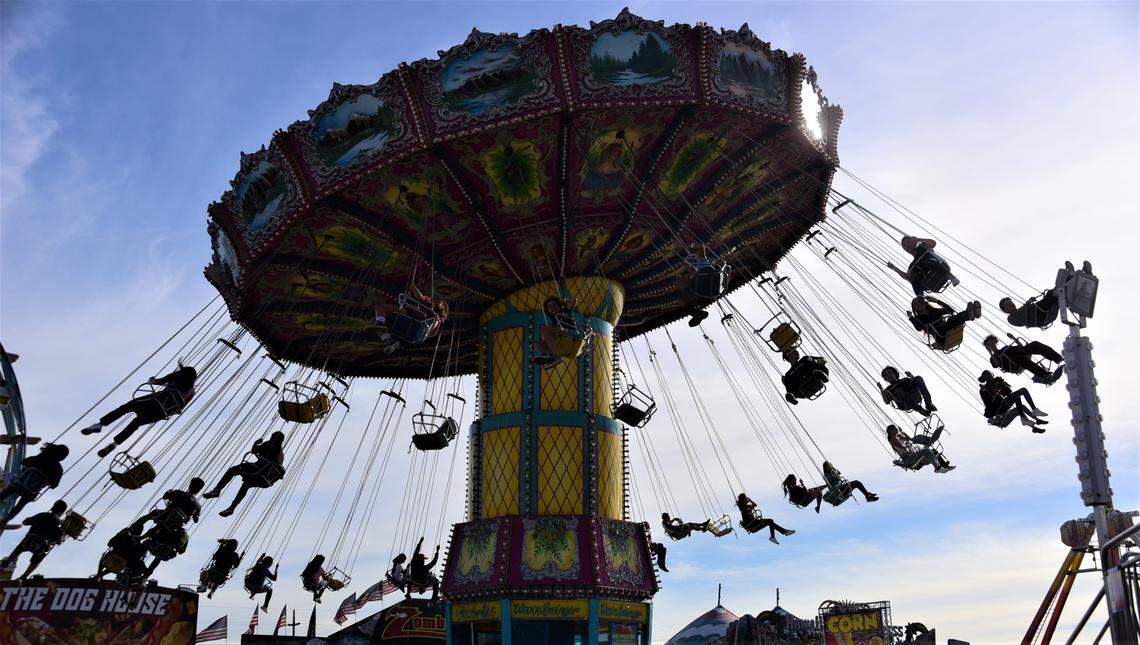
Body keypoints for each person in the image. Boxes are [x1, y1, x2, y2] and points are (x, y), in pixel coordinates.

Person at [82, 364, 197, 458]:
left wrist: (152, 379)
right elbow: (180, 408)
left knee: (126, 408)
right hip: (160, 414)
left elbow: (157, 381)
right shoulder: (191, 392)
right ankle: (115, 444)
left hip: (153, 401)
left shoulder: (177, 376)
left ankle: (100, 424)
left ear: (183, 372)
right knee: (135, 423)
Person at [203, 431, 286, 516]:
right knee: (246, 485)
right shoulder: (281, 454)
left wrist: (256, 442)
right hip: (265, 479)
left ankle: (217, 490)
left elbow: (254, 451)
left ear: (273, 437)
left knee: (233, 470)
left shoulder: (270, 443)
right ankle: (232, 507)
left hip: (258, 470)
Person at [0, 443, 69, 526]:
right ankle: (5, 520)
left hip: (20, 484)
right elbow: (54, 485)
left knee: (7, 492)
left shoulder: (42, 456)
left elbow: (25, 462)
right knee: (20, 505)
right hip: (31, 492)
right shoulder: (58, 469)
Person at [0, 500, 67, 579]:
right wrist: (64, 535)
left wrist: (35, 520)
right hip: (40, 548)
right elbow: (58, 540)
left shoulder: (41, 515)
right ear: (61, 513)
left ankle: (6, 563)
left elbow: (25, 522)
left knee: (20, 548)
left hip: (27, 542)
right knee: (42, 554)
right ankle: (24, 576)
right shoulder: (57, 523)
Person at [373, 285, 448, 352]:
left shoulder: (431, 307)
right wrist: (423, 335)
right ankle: (389, 340)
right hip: (415, 335)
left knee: (380, 307)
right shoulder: (438, 321)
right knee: (373, 320)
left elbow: (419, 297)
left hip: (411, 319)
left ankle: (380, 324)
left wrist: (412, 286)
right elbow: (433, 333)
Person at [978, 370, 1048, 432]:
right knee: (1023, 390)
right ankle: (1032, 413)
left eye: (990, 375)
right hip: (997, 408)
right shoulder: (984, 389)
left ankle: (1030, 420)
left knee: (1018, 397)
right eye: (988, 376)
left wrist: (1003, 385)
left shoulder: (995, 383)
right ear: (985, 378)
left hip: (1003, 405)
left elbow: (1008, 393)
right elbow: (988, 401)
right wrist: (988, 390)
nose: (991, 377)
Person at [887, 236, 959, 295]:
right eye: (904, 246)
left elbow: (933, 243)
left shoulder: (922, 247)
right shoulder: (912, 265)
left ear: (913, 242)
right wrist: (894, 268)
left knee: (929, 261)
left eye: (908, 242)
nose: (907, 246)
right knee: (913, 276)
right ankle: (920, 297)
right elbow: (907, 276)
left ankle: (951, 277)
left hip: (939, 270)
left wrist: (918, 239)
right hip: (929, 283)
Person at [983, 335, 1064, 385]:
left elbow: (1021, 348)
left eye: (992, 343)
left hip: (1019, 355)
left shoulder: (1005, 348)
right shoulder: (993, 358)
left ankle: (1057, 358)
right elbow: (997, 364)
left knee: (1035, 344)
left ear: (995, 343)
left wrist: (1015, 339)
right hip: (1014, 364)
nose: (992, 345)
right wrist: (990, 353)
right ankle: (1045, 376)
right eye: (989, 345)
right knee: (1021, 359)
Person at [908, 296, 981, 347]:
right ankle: (968, 314)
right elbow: (918, 328)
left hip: (947, 330)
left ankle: (970, 314)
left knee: (951, 319)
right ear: (914, 308)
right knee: (949, 321)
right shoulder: (919, 319)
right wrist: (911, 318)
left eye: (918, 302)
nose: (918, 304)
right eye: (915, 304)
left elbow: (950, 310)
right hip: (941, 337)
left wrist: (937, 301)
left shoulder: (933, 311)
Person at [533, 295, 583, 367]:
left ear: (559, 306)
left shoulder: (565, 311)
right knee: (538, 343)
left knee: (544, 329)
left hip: (571, 334)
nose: (552, 307)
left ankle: (554, 355)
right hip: (563, 336)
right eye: (549, 306)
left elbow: (574, 300)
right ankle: (547, 356)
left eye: (554, 304)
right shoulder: (553, 319)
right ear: (548, 310)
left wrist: (563, 299)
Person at [886, 424, 954, 473]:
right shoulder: (892, 440)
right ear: (891, 431)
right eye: (895, 428)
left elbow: (909, 439)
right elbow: (903, 447)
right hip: (908, 458)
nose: (897, 429)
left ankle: (944, 465)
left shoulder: (898, 436)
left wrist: (903, 432)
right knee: (926, 451)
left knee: (933, 451)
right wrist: (906, 441)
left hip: (912, 455)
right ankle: (937, 468)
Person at [407, 537, 440, 601]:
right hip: (422, 582)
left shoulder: (413, 562)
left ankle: (409, 593)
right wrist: (437, 551)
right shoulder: (424, 568)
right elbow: (434, 562)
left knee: (412, 578)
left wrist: (420, 542)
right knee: (436, 581)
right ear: (422, 561)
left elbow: (416, 551)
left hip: (413, 580)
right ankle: (434, 597)